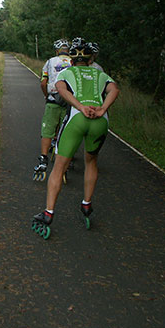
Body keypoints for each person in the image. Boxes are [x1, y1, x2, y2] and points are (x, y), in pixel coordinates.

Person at [31, 39, 120, 238]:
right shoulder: (100, 73)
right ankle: (87, 205)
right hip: (100, 121)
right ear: (90, 60)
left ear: (72, 59)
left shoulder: (66, 72)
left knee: (59, 166)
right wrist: (103, 108)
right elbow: (114, 89)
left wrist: (80, 107)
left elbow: (60, 89)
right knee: (91, 161)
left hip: (77, 119)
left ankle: (48, 213)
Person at [33, 39, 73, 181]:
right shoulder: (73, 61)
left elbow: (43, 82)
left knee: (47, 130)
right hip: (69, 101)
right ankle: (64, 162)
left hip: (53, 98)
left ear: (57, 50)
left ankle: (43, 160)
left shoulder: (50, 62)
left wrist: (46, 96)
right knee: (65, 132)